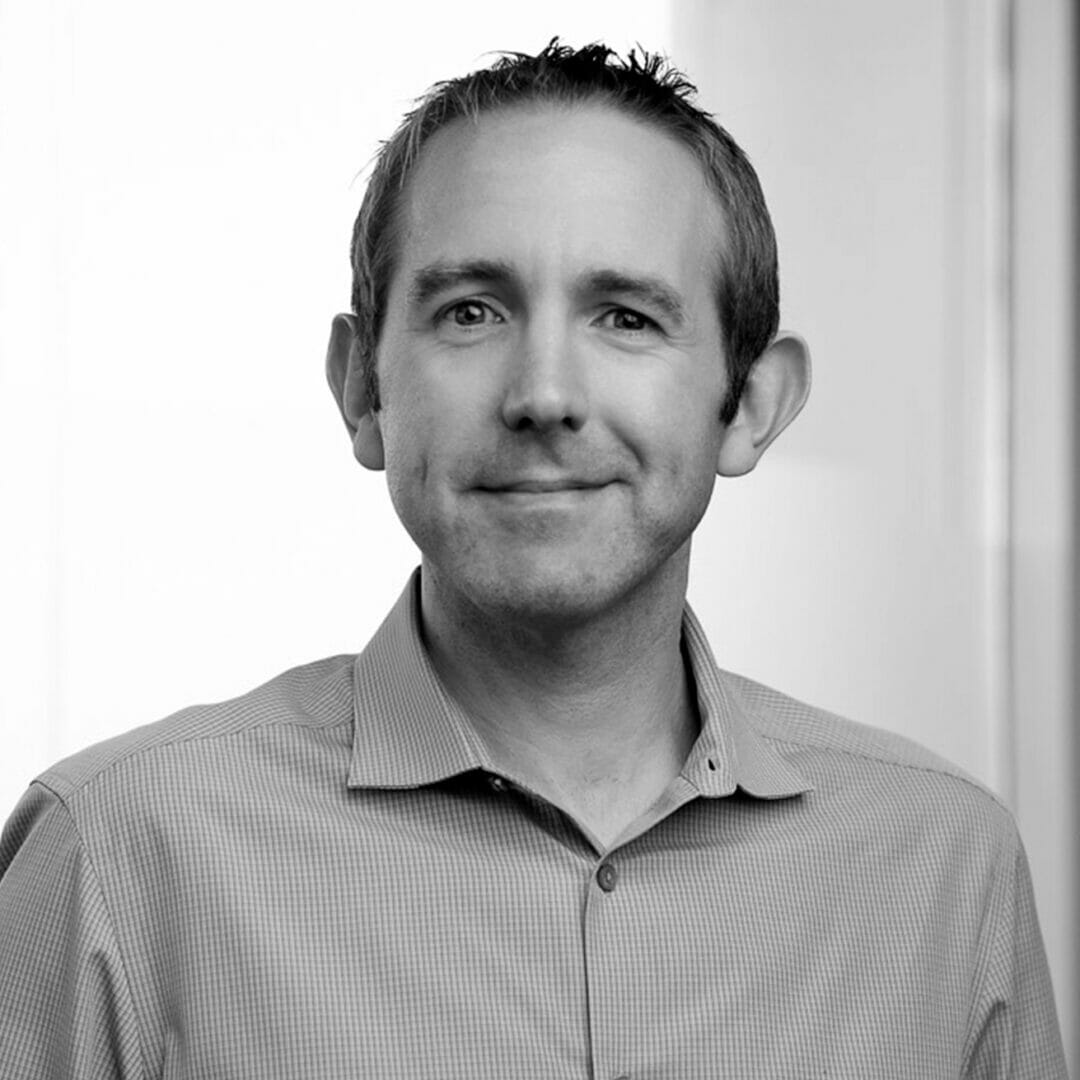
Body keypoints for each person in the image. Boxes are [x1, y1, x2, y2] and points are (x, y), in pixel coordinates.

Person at [0, 40, 1066, 1079]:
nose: (545, 395)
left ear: (750, 404)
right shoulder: (116, 856)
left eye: (626, 317)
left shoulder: (946, 866)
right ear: (363, 390)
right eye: (471, 312)